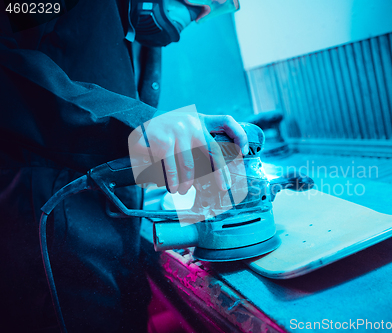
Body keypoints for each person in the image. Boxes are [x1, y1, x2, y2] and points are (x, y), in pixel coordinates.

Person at [0, 0, 244, 332]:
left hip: (114, 228)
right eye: (205, 0)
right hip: (51, 229)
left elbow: (117, 133)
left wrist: (171, 149)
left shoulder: (129, 28)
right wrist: (137, 124)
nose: (201, 13)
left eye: (218, 8)